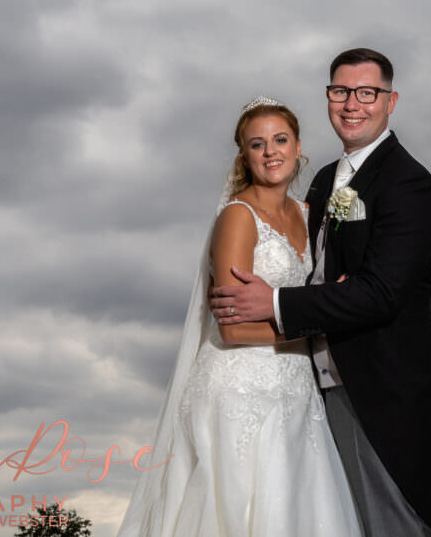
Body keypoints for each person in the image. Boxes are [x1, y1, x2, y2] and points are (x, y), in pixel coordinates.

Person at [211, 48, 431, 537]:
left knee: (393, 525)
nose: (352, 104)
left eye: (367, 93)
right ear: (328, 97)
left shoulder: (409, 184)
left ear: (391, 101)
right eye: (340, 91)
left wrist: (275, 302)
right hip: (318, 391)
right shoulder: (323, 183)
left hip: (383, 392)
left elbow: (380, 294)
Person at [117, 98, 362, 537]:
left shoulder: (309, 216)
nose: (271, 151)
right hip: (240, 392)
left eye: (280, 139)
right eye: (257, 144)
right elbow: (232, 328)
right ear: (244, 156)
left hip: (297, 393)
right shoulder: (237, 217)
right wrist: (318, 329)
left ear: (298, 146)